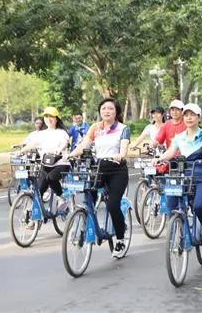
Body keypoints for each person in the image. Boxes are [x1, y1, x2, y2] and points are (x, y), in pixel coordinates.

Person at [153, 103, 202, 251]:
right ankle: (180, 231)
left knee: (199, 206)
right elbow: (171, 152)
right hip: (184, 174)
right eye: (186, 115)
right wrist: (159, 159)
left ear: (198, 117)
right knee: (170, 199)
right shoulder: (179, 137)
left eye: (192, 115)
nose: (189, 118)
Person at [71, 98, 131, 258]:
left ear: (116, 111)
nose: (106, 111)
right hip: (98, 169)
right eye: (103, 108)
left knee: (112, 205)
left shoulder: (123, 128)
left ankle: (120, 239)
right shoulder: (95, 128)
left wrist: (120, 155)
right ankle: (89, 226)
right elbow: (84, 144)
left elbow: (124, 146)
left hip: (117, 170)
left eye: (110, 108)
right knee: (88, 195)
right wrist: (68, 155)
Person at [20, 107, 70, 213]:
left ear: (57, 118)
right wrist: (21, 151)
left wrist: (59, 150)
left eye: (51, 116)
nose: (49, 119)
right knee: (39, 190)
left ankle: (61, 198)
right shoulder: (42, 134)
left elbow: (64, 143)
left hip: (60, 163)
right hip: (45, 164)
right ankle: (34, 218)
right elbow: (32, 144)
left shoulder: (62, 132)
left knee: (51, 178)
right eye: (46, 116)